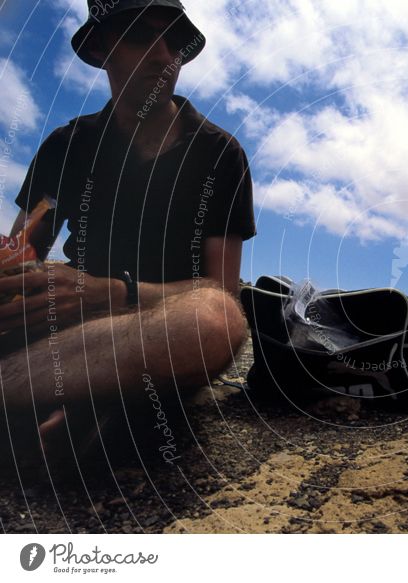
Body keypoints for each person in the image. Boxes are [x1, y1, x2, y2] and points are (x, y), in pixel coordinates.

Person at [0, 0, 256, 460]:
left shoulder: (220, 153)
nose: (163, 56)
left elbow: (221, 287)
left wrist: (113, 292)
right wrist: (13, 279)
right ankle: (75, 401)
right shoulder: (66, 145)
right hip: (68, 327)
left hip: (160, 326)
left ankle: (55, 398)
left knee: (215, 320)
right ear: (102, 47)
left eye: (174, 41)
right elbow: (23, 253)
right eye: (140, 36)